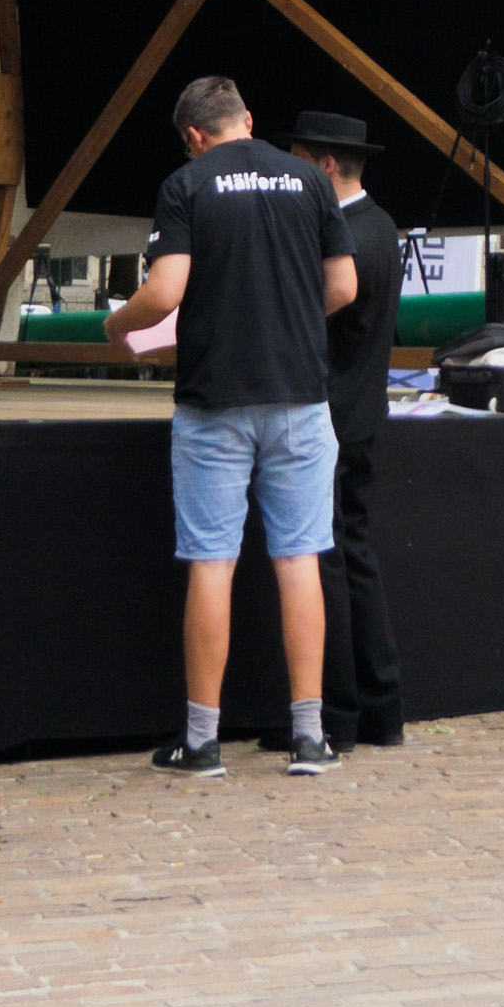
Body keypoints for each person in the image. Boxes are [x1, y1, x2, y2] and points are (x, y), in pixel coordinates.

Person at [108, 75, 356, 782]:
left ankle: (203, 743)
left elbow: (164, 292)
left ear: (194, 135)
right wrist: (285, 315)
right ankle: (310, 737)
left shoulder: (187, 184)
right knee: (300, 558)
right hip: (301, 399)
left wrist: (116, 323)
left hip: (215, 401)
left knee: (212, 562)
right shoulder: (310, 182)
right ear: (248, 118)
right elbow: (342, 287)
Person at [287, 109, 408, 753]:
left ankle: (335, 717)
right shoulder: (382, 225)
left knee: (327, 562)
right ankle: (380, 708)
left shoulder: (344, 238)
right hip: (362, 413)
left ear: (327, 165)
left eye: (301, 162)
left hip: (329, 416)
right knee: (353, 555)